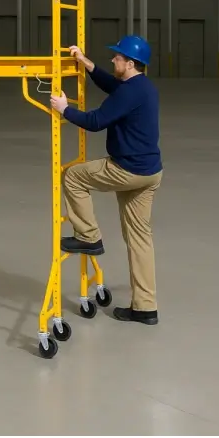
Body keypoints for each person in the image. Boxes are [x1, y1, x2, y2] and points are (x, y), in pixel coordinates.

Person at [49, 35, 162, 325]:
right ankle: (145, 307)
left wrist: (64, 109)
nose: (113, 60)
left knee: (73, 176)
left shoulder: (129, 92)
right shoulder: (142, 87)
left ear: (131, 63)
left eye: (118, 57)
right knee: (140, 239)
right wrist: (86, 63)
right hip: (150, 173)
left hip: (127, 170)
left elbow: (96, 122)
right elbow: (112, 86)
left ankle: (89, 236)